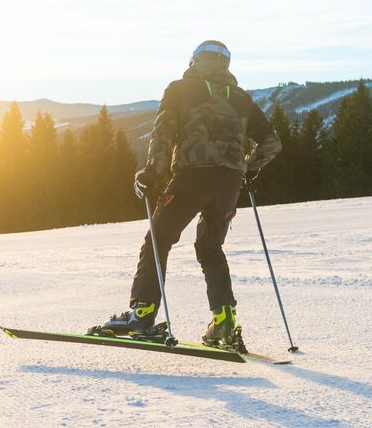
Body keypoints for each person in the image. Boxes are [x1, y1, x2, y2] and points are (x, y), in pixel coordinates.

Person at [97, 40, 282, 347]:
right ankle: (223, 321)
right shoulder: (241, 98)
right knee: (210, 248)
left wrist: (152, 171)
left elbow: (164, 131)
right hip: (228, 184)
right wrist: (249, 168)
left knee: (158, 239)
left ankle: (142, 313)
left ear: (195, 61)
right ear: (226, 65)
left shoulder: (180, 89)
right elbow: (272, 142)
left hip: (191, 179)